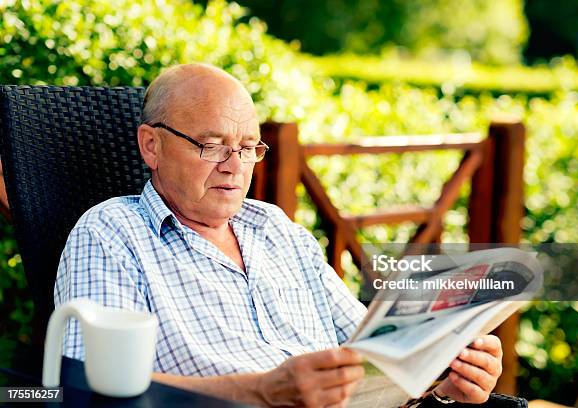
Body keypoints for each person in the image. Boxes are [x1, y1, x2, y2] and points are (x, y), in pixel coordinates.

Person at [54, 63, 503, 407]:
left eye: (249, 148)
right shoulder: (113, 233)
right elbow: (88, 388)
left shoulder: (275, 229)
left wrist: (444, 380)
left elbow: (370, 357)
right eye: (212, 146)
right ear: (151, 145)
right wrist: (263, 392)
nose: (235, 166)